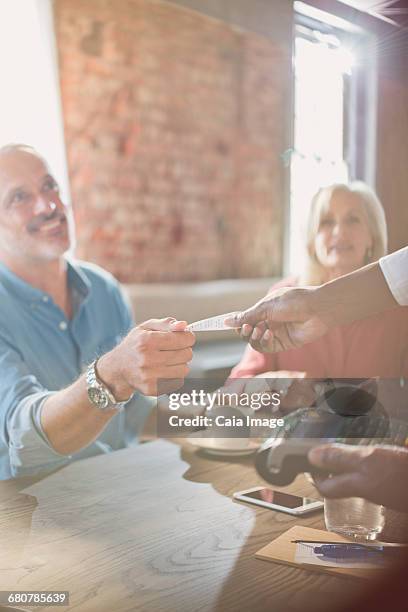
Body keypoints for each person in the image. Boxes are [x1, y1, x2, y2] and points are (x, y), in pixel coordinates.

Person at [0, 144, 195, 480]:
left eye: (50, 186)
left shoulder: (103, 288)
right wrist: (111, 374)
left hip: (118, 492)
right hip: (29, 513)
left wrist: (227, 419)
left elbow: (135, 416)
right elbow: (25, 436)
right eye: (19, 197)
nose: (48, 206)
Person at [230, 182, 408, 381]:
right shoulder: (281, 296)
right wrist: (278, 385)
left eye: (353, 220)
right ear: (312, 242)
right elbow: (237, 384)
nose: (339, 232)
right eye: (326, 222)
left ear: (372, 238)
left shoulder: (399, 305)